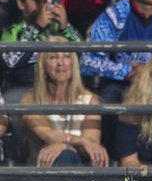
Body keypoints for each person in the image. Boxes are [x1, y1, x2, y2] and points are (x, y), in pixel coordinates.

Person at [20, 38, 108, 167]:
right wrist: (78, 142)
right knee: (65, 157)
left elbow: (91, 146)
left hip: (78, 166)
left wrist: (63, 146)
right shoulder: (29, 102)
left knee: (66, 157)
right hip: (40, 173)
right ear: (43, 66)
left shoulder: (91, 102)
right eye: (53, 57)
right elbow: (48, 136)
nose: (61, 63)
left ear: (73, 63)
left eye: (66, 56)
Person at [1, 0, 81, 106]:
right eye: (37, 1)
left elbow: (85, 55)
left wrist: (65, 27)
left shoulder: (58, 28)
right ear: (21, 4)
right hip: (25, 89)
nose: (43, 7)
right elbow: (11, 62)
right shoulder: (11, 32)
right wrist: (37, 27)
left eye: (47, 1)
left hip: (62, 88)